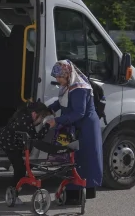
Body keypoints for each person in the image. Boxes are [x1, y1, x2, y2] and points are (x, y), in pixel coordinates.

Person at [46, 59, 103, 204]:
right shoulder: (69, 85)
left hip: (85, 128)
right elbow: (61, 102)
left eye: (60, 77)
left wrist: (57, 120)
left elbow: (79, 113)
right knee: (72, 160)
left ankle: (80, 195)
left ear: (67, 74)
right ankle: (73, 194)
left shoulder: (78, 88)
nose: (58, 80)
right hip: (74, 126)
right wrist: (49, 109)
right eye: (56, 77)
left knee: (84, 160)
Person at [0, 101, 51, 204]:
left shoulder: (26, 117)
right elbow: (35, 138)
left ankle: (14, 182)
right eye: (41, 117)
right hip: (9, 144)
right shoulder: (25, 121)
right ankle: (13, 193)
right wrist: (47, 126)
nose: (41, 120)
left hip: (11, 141)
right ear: (34, 114)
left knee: (22, 165)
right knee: (20, 170)